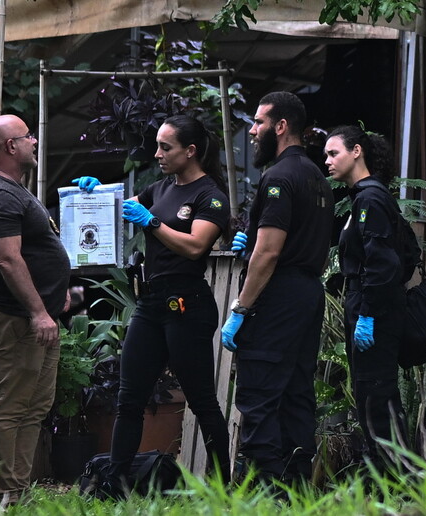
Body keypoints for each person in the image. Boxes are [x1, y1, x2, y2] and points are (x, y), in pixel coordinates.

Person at [74, 114, 232, 491]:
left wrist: (152, 223)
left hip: (187, 305)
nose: (157, 154)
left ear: (190, 151)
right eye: (157, 145)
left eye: (166, 147)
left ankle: (226, 487)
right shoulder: (159, 189)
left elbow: (195, 247)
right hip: (151, 304)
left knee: (202, 402)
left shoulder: (209, 196)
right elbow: (117, 208)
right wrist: (96, 194)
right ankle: (114, 487)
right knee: (129, 399)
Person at [220, 91, 334, 485]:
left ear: (281, 127)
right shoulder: (319, 178)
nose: (252, 131)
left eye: (258, 122)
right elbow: (315, 251)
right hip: (307, 294)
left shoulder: (279, 177)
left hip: (279, 296)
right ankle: (298, 488)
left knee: (261, 397)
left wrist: (240, 309)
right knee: (297, 395)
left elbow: (268, 253)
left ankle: (260, 491)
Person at [0, 114, 71, 508]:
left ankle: (18, 491)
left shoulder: (15, 189)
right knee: (10, 405)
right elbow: (8, 261)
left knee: (35, 407)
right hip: (17, 318)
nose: (34, 141)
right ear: (10, 147)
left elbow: (33, 253)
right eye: (27, 136)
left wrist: (55, 296)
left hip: (37, 315)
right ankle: (2, 494)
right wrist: (38, 312)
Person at [323, 125, 408, 470]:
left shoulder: (370, 199)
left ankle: (395, 485)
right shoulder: (364, 197)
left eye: (333, 153)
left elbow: (383, 263)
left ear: (357, 151)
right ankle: (389, 482)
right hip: (366, 306)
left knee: (376, 400)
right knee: (374, 398)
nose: (327, 161)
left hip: (372, 310)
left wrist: (369, 313)